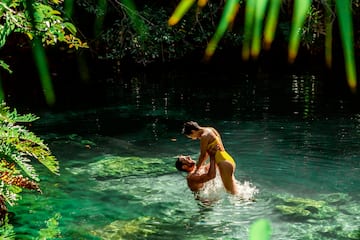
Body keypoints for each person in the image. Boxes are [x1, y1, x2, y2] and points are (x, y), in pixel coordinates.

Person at [182, 121, 238, 194]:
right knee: (234, 189)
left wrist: (196, 170)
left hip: (223, 164)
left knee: (232, 193)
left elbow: (202, 155)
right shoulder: (211, 129)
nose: (193, 138)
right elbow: (219, 148)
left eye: (191, 136)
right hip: (227, 158)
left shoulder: (204, 136)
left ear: (193, 131)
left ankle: (247, 202)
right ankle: (248, 200)